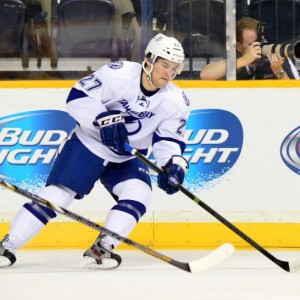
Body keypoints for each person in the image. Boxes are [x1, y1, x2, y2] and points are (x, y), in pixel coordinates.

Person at [0, 33, 191, 269]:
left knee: (139, 192)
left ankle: (102, 248)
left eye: (174, 68)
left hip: (128, 155)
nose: (168, 73)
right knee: (59, 194)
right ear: (149, 59)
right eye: (164, 65)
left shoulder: (176, 101)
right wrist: (103, 119)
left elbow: (169, 138)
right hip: (89, 144)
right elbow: (77, 97)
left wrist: (172, 165)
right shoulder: (117, 74)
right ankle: (6, 246)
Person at [200, 17, 300, 80]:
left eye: (260, 42)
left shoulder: (278, 58)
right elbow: (205, 75)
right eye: (252, 44)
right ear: (239, 46)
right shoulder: (235, 62)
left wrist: (279, 71)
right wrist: (243, 60)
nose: (258, 47)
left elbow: (294, 95)